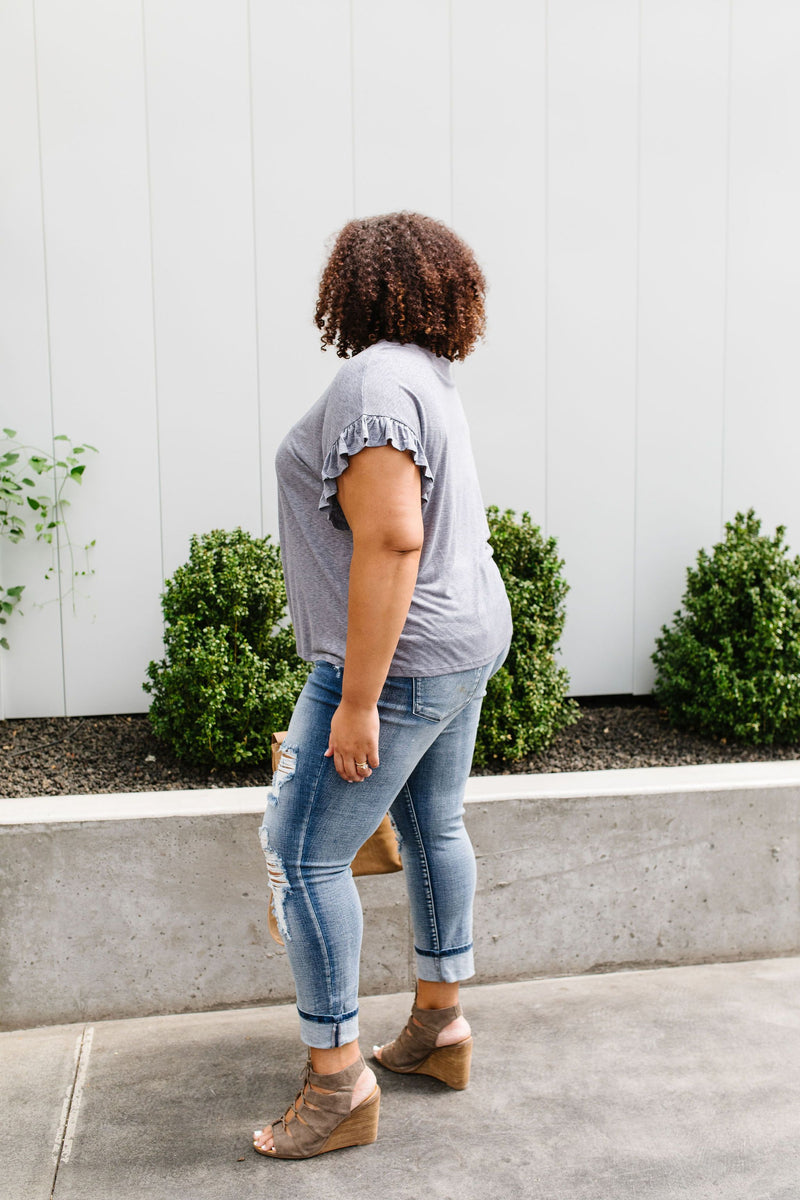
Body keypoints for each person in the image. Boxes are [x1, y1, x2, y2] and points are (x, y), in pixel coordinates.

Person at [253, 211, 512, 1159]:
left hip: (398, 665)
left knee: (303, 854)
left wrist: (357, 700)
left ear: (352, 288)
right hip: (463, 639)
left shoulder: (372, 382)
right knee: (433, 825)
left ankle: (337, 1084)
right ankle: (440, 1028)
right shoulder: (424, 378)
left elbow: (394, 537)